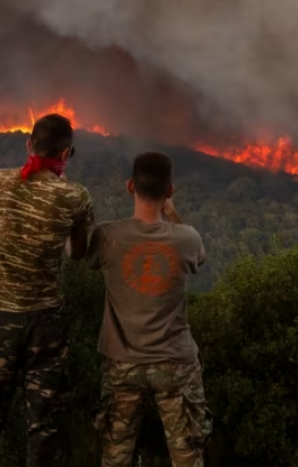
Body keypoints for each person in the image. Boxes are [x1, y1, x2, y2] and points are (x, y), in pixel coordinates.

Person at [0, 113, 95, 467]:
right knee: (44, 431)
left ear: (28, 145)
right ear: (65, 155)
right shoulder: (75, 197)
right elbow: (77, 254)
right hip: (47, 327)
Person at [88, 151, 212, 467]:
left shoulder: (106, 235)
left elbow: (80, 255)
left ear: (130, 186)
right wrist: (173, 214)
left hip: (122, 365)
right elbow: (201, 256)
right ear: (169, 191)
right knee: (187, 455)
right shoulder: (187, 238)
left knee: (115, 456)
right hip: (175, 363)